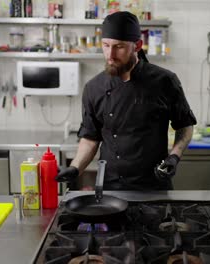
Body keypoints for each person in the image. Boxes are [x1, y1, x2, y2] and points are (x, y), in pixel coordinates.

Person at [56, 11, 196, 190]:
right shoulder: (94, 88)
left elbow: (185, 125)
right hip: (110, 189)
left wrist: (174, 157)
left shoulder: (164, 81)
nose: (110, 54)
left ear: (137, 45)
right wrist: (76, 168)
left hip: (154, 185)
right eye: (106, 45)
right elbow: (91, 138)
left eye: (119, 47)